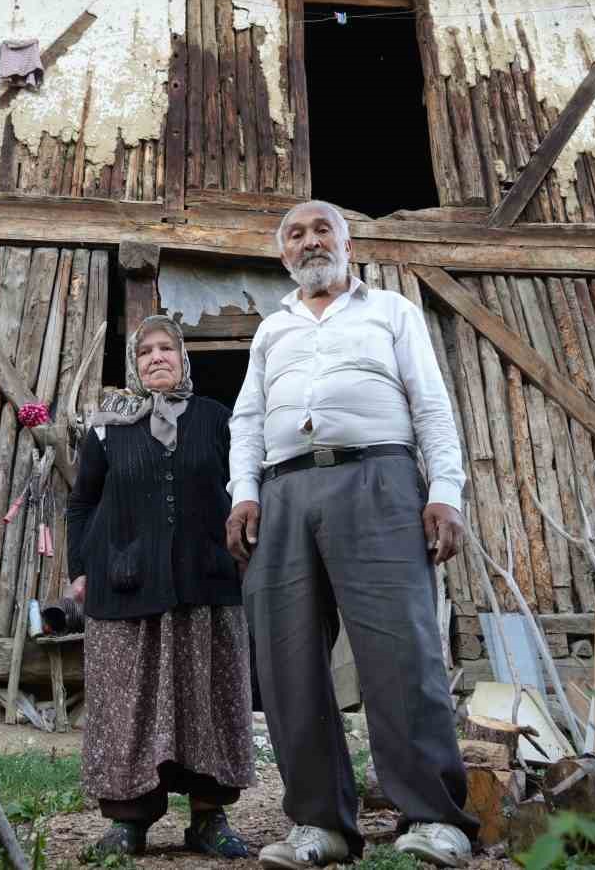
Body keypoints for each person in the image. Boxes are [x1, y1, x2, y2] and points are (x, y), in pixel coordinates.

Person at [227, 200, 480, 869]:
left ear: (348, 242)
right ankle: (321, 825)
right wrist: (244, 492)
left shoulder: (391, 311)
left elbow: (430, 402)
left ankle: (432, 817)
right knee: (288, 663)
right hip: (283, 493)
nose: (309, 242)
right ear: (283, 254)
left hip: (379, 482)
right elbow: (247, 418)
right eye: (295, 235)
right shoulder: (269, 329)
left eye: (321, 231)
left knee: (402, 651)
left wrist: (445, 492)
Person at [65, 315, 255, 858]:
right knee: (129, 707)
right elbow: (82, 503)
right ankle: (129, 821)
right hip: (124, 585)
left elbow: (243, 486)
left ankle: (208, 817)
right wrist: (80, 568)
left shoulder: (217, 420)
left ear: (182, 357)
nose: (155, 358)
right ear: (134, 363)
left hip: (206, 582)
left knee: (207, 700)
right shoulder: (108, 425)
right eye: (145, 350)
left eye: (165, 348)